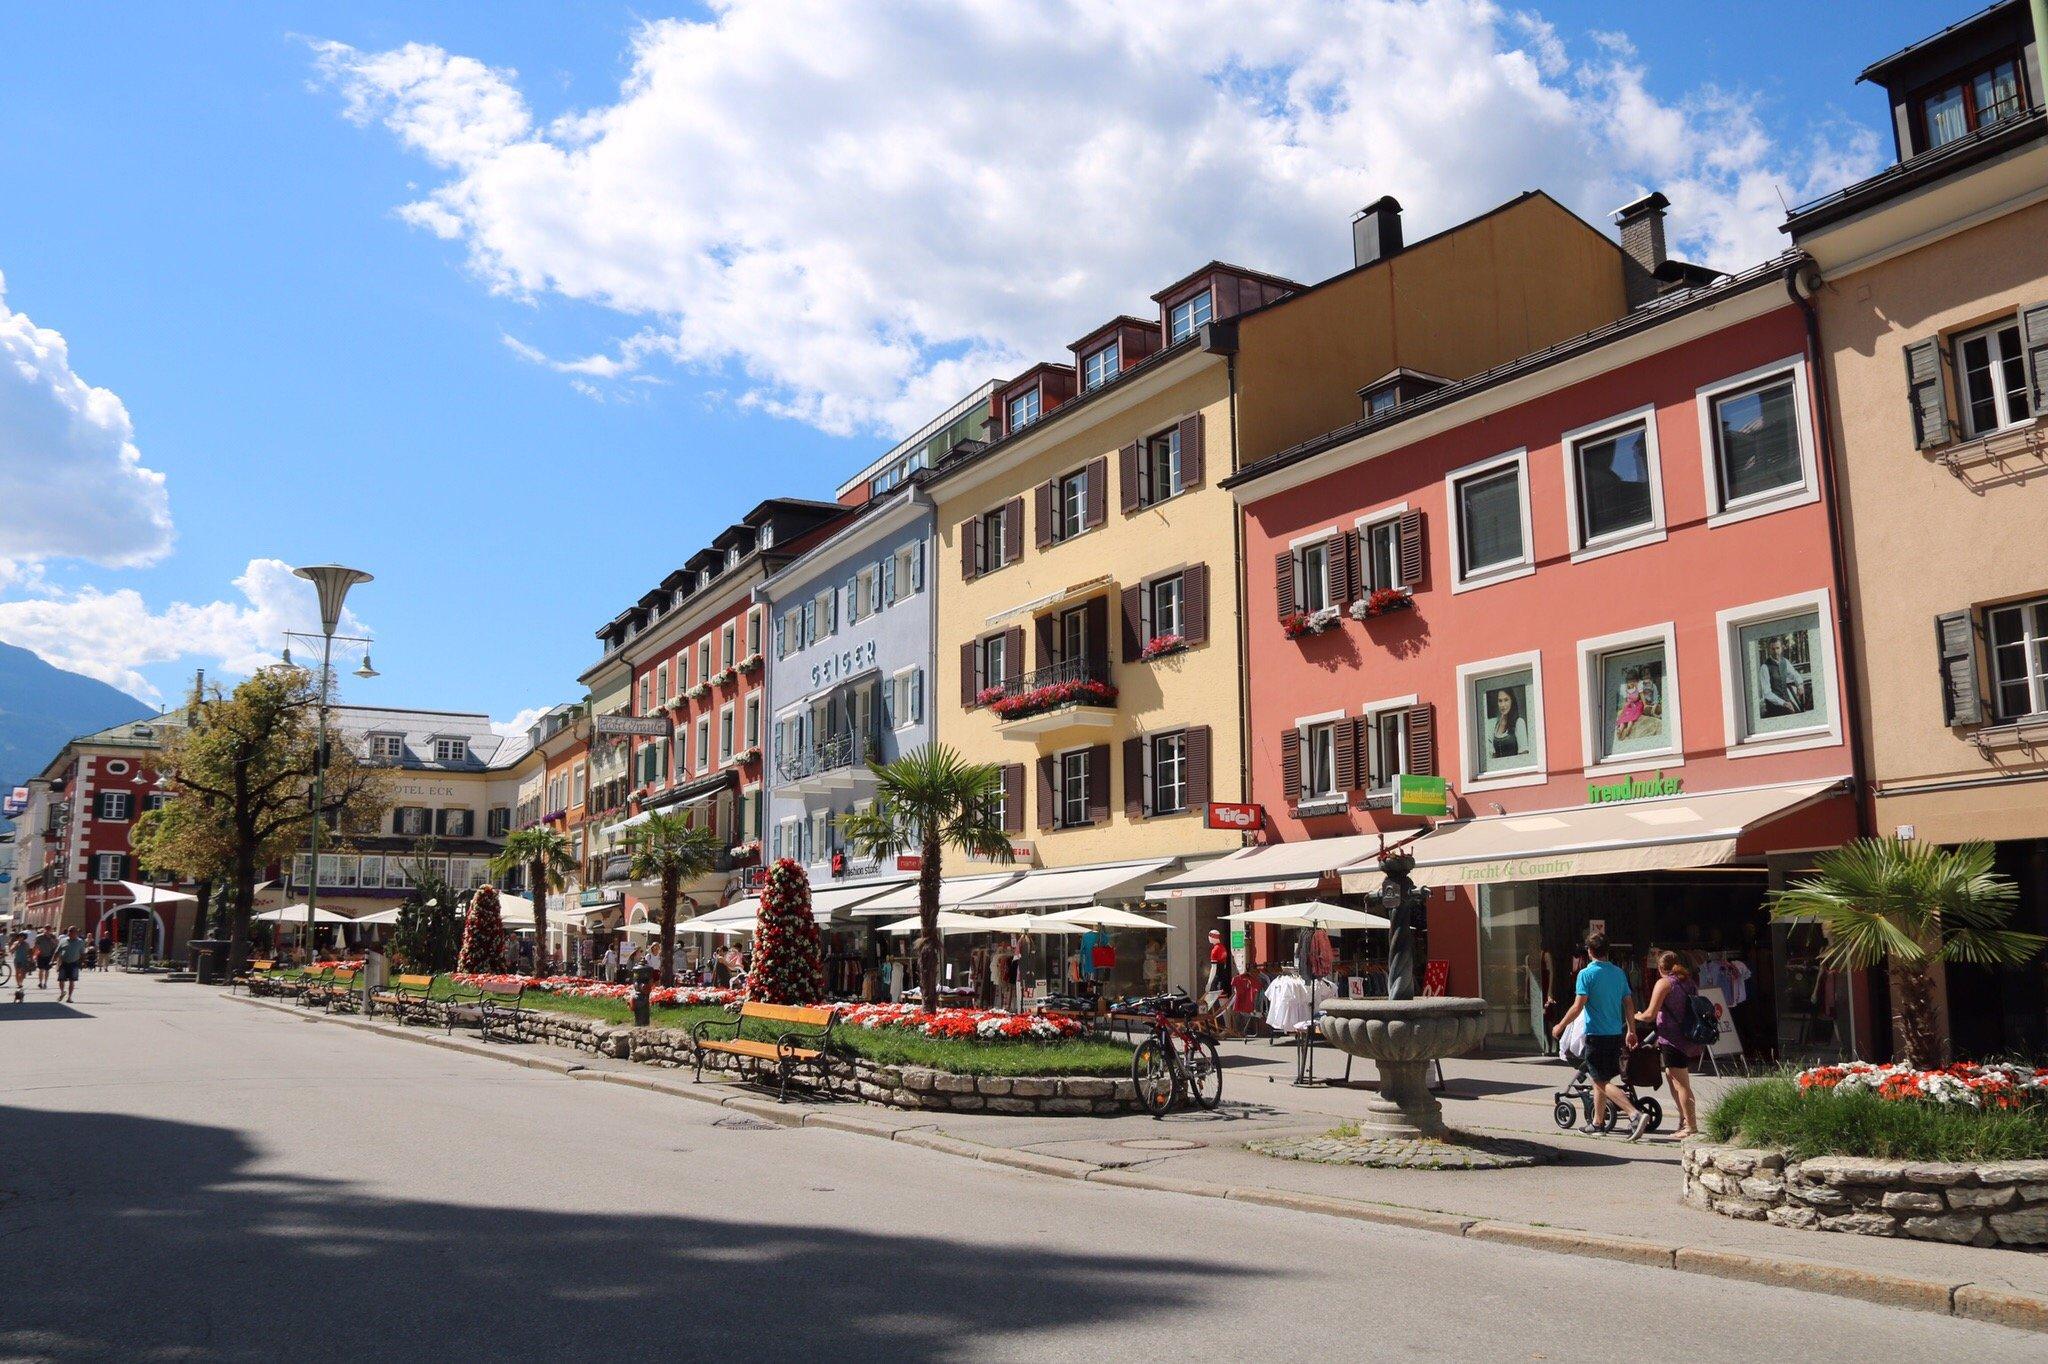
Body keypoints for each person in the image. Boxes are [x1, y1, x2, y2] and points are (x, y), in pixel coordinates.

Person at [1551, 931, 1648, 1141]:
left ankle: (1634, 1114)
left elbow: (1578, 1006)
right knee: (1600, 1079)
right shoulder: (1618, 973)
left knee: (1600, 1080)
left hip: (1596, 1035)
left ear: (1589, 951)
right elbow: (1629, 1003)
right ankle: (1597, 1123)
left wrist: (1560, 1025)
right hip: (1615, 1034)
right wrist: (1631, 1030)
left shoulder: (1586, 974)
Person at [1637, 951, 1703, 1139]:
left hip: (1672, 1038)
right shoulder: (1688, 981)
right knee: (1671, 1076)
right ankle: (1684, 1120)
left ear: (1660, 967)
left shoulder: (1664, 983)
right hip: (1685, 1036)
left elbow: (1650, 1014)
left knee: (1680, 1083)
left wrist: (1636, 1016)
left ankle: (1691, 1125)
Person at [53, 926, 87, 1004]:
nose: (70, 933)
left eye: (72, 931)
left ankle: (69, 997)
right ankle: (62, 992)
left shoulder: (80, 942)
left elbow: (83, 953)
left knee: (72, 981)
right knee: (61, 980)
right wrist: (52, 961)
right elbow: (57, 951)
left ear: (76, 933)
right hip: (64, 962)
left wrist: (83, 962)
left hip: (74, 963)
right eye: (69, 931)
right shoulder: (63, 940)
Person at [1203, 929, 1230, 1005]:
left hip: (1217, 979)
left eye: (1209, 936)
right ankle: (1229, 1017)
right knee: (1224, 1002)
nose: (1208, 938)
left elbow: (1213, 969)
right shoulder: (1223, 948)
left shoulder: (1215, 950)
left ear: (1212, 937)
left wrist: (1209, 983)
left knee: (1210, 1002)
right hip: (1224, 978)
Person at [9, 931, 33, 1003]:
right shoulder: (15, 943)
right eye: (20, 937)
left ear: (24, 938)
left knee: (22, 973)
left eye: (22, 937)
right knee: (17, 972)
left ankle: (20, 983)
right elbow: (11, 950)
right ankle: (19, 984)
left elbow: (29, 952)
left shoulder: (26, 944)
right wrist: (17, 944)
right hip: (17, 960)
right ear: (18, 937)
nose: (21, 938)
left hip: (24, 960)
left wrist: (31, 959)